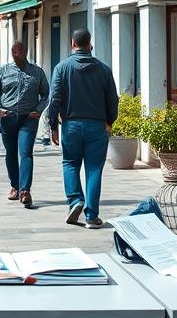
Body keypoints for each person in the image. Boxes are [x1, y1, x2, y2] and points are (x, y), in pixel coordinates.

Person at [47, 29, 119, 230]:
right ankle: (91, 216)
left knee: (70, 163)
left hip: (71, 125)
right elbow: (113, 100)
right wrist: (110, 121)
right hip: (97, 125)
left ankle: (75, 200)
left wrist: (53, 125)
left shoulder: (61, 68)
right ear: (90, 45)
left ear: (72, 44)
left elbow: (54, 99)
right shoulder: (104, 70)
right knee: (94, 169)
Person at [0, 40, 50, 208]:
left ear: (26, 52)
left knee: (26, 153)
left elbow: (46, 93)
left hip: (28, 119)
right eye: (14, 54)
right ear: (11, 53)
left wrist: (39, 109)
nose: (17, 57)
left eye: (20, 54)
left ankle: (25, 191)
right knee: (10, 153)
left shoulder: (37, 72)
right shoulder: (3, 71)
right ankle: (14, 186)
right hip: (7, 117)